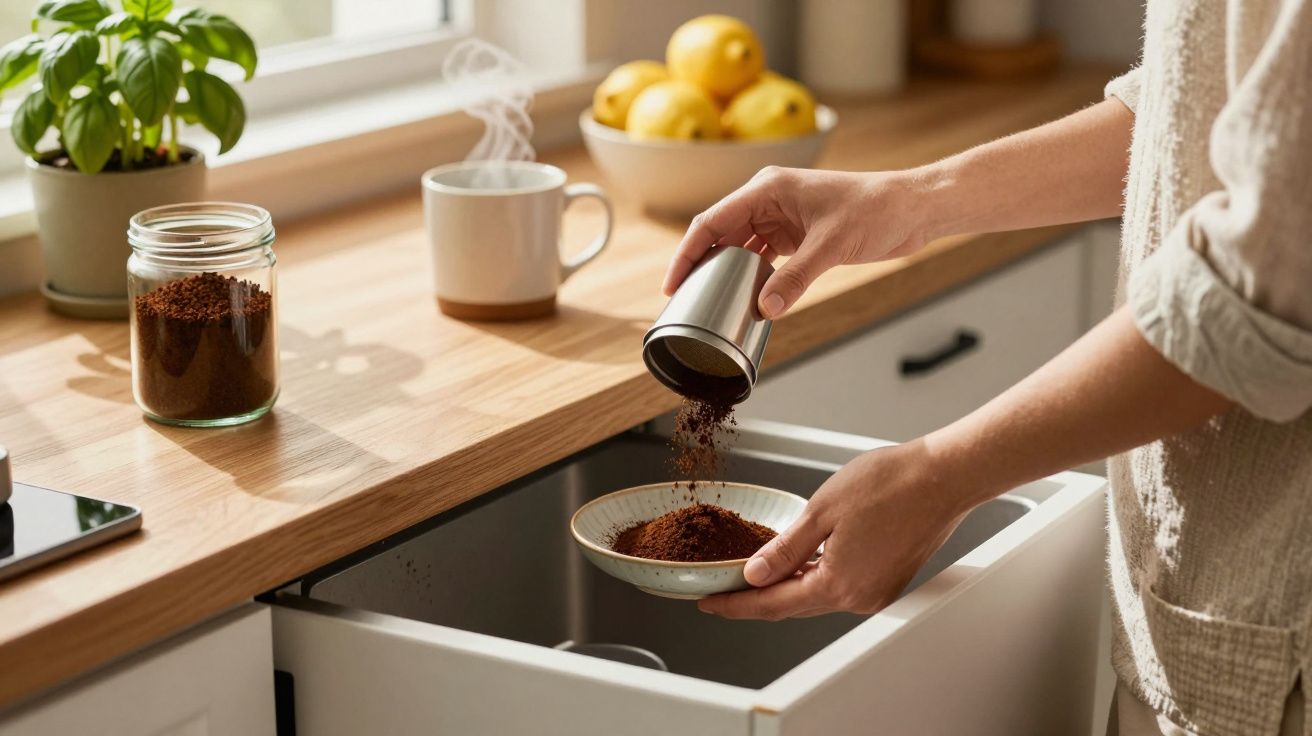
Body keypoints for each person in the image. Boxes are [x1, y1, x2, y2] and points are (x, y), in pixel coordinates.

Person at [662, 1, 1312, 733]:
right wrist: (912, 200)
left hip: (1276, 647)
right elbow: (1197, 107)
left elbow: (1253, 302)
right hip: (1210, 624)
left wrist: (942, 475)